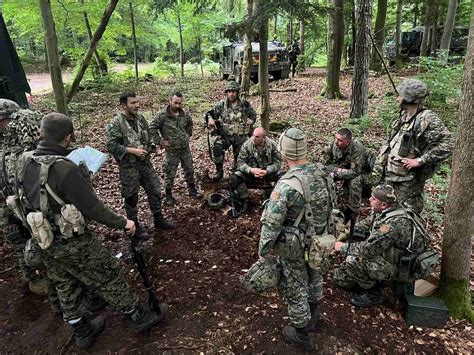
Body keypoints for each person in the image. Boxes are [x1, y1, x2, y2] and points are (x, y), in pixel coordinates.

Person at [14, 113, 168, 349]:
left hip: (42, 239)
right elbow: (93, 208)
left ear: (42, 134)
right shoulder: (65, 168)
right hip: (71, 240)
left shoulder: (24, 162)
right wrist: (123, 223)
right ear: (68, 137)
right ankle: (137, 316)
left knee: (64, 283)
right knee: (108, 273)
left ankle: (82, 330)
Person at [258, 128, 335, 351]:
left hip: (295, 246)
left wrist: (264, 252)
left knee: (295, 285)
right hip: (321, 240)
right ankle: (313, 318)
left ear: (283, 152)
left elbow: (271, 224)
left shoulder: (287, 185)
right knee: (316, 275)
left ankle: (300, 332)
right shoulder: (323, 173)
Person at [333, 184, 428, 308]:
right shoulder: (387, 209)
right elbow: (368, 223)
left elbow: (368, 250)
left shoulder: (393, 225)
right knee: (340, 278)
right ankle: (374, 279)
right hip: (393, 255)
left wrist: (341, 247)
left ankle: (375, 294)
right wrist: (346, 233)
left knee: (352, 260)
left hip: (402, 266)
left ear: (384, 204)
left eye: (373, 199)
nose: (369, 200)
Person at [374, 78, 454, 213]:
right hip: (390, 175)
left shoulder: (426, 119)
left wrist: (420, 160)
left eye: (400, 95)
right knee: (384, 214)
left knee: (402, 216)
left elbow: (449, 143)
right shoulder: (404, 115)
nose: (397, 98)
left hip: (407, 182)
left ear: (409, 98)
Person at [106, 91, 174, 240]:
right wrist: (132, 151)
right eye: (133, 103)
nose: (137, 105)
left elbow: (147, 135)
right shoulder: (116, 123)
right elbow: (111, 146)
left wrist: (151, 146)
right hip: (128, 167)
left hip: (144, 163)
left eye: (137, 102)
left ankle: (158, 218)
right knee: (131, 197)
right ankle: (134, 227)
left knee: (155, 189)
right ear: (124, 105)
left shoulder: (141, 119)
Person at [149, 92, 202, 206]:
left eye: (180, 103)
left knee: (189, 169)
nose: (178, 105)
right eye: (175, 103)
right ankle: (168, 194)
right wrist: (160, 141)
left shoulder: (184, 114)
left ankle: (192, 189)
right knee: (170, 172)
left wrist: (188, 134)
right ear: (170, 101)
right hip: (172, 150)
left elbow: (190, 124)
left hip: (184, 148)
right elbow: (152, 128)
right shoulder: (162, 115)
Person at [205, 81, 257, 180]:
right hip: (226, 135)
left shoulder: (244, 104)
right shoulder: (222, 105)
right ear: (227, 93)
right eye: (229, 92)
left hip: (241, 136)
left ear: (237, 93)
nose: (231, 94)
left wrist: (251, 120)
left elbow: (253, 115)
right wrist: (210, 119)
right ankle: (219, 172)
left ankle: (237, 174)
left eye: (233, 92)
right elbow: (209, 114)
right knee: (218, 147)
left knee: (242, 157)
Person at [229, 127, 282, 214]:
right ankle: (245, 199)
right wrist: (251, 170)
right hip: (251, 174)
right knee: (235, 178)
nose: (254, 138)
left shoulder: (273, 145)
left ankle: (272, 199)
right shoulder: (247, 145)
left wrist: (267, 171)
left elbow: (278, 163)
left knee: (282, 177)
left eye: (257, 137)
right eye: (253, 135)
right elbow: (240, 163)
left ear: (263, 138)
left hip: (267, 174)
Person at [323, 128, 365, 225]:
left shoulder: (357, 147)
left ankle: (352, 211)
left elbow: (356, 172)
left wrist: (337, 172)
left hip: (362, 171)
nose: (336, 142)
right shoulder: (332, 144)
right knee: (324, 175)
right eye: (336, 138)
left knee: (355, 181)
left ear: (347, 142)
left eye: (340, 140)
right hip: (341, 168)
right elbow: (325, 165)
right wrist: (337, 171)